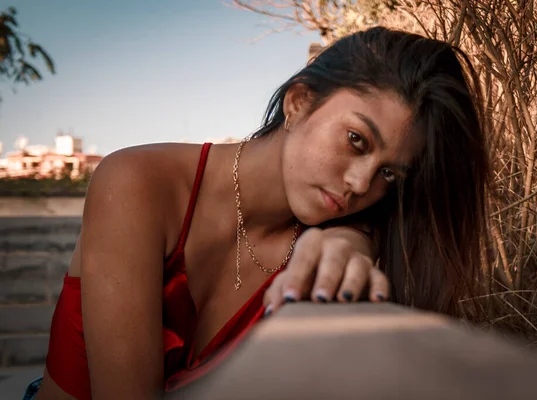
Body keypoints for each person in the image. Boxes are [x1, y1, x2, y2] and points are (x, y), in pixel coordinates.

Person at [29, 26, 489, 400]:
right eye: (356, 141)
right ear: (299, 101)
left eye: (390, 174)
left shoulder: (343, 246)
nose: (361, 183)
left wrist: (355, 238)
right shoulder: (135, 182)